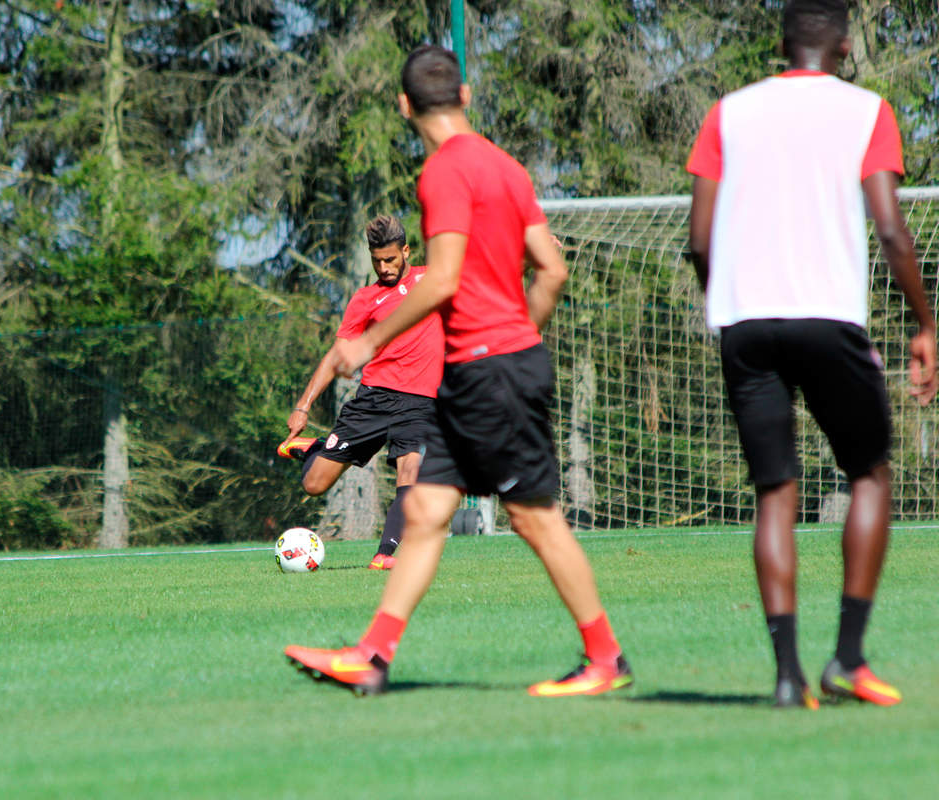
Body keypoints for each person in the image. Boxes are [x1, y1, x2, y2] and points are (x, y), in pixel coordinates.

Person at [284, 45, 632, 697]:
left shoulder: (444, 172)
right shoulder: (506, 167)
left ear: (404, 105)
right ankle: (372, 654)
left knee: (533, 518)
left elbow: (441, 279)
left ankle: (606, 657)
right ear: (466, 97)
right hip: (485, 371)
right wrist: (525, 336)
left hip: (487, 370)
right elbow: (552, 268)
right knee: (425, 513)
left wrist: (370, 342)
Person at [686, 0, 937, 708]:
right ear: (846, 47)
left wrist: (725, 302)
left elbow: (701, 239)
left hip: (746, 323)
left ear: (781, 46)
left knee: (776, 491)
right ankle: (848, 659)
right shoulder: (867, 111)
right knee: (868, 474)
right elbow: (890, 229)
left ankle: (787, 677)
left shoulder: (727, 112)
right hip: (828, 320)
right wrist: (925, 323)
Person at [278, 214, 443, 570]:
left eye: (390, 260)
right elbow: (337, 355)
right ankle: (314, 449)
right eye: (377, 261)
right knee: (314, 485)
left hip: (419, 401)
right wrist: (303, 406)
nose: (383, 268)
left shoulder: (432, 279)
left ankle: (384, 555)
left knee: (410, 470)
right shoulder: (365, 300)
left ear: (406, 251)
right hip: (372, 399)